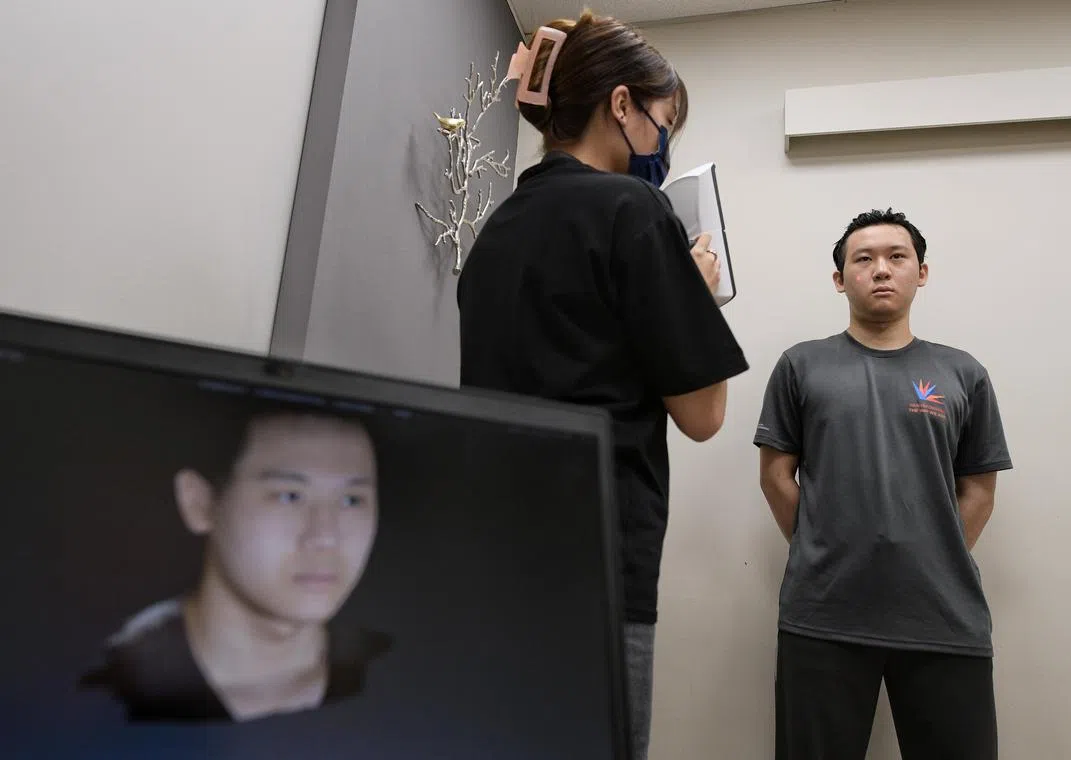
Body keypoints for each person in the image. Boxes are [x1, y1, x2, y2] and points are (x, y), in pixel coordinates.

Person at [457, 11, 749, 760]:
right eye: (662, 122)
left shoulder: (499, 228)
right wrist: (697, 289)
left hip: (494, 547)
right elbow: (704, 414)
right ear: (621, 106)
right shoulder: (634, 210)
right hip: (600, 554)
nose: (662, 146)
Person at [754, 208, 1013, 759]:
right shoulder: (801, 366)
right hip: (822, 615)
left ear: (921, 272)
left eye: (897, 257)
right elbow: (777, 475)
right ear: (839, 278)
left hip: (943, 618)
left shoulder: (963, 373)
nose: (880, 270)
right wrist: (821, 545)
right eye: (863, 258)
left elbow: (980, 490)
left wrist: (932, 554)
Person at [80, 405, 390, 723]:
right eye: (289, 496)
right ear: (199, 503)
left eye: (352, 500)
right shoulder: (103, 694)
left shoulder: (398, 677)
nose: (325, 537)